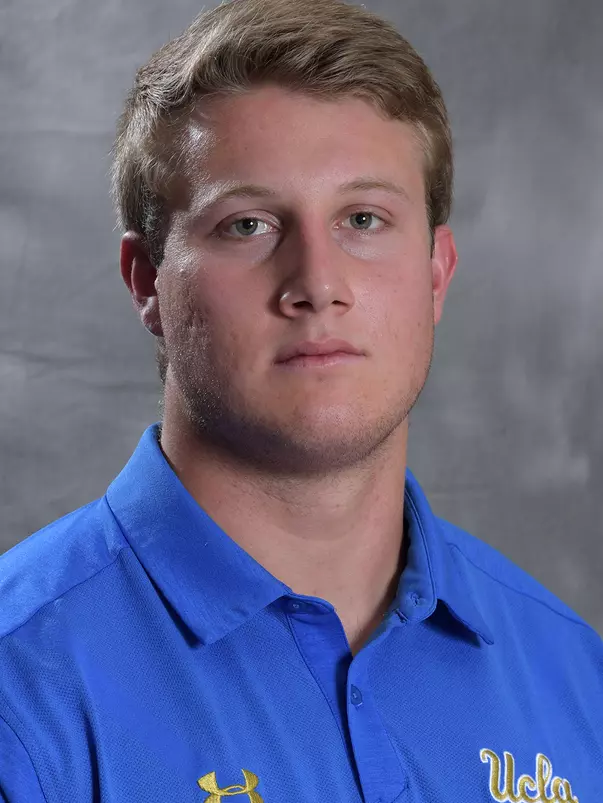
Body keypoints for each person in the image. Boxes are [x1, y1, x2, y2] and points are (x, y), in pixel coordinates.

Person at [1, 0, 602, 800]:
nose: (316, 284)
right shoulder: (22, 689)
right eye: (247, 224)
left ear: (434, 273)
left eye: (363, 218)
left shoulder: (573, 674)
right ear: (146, 281)